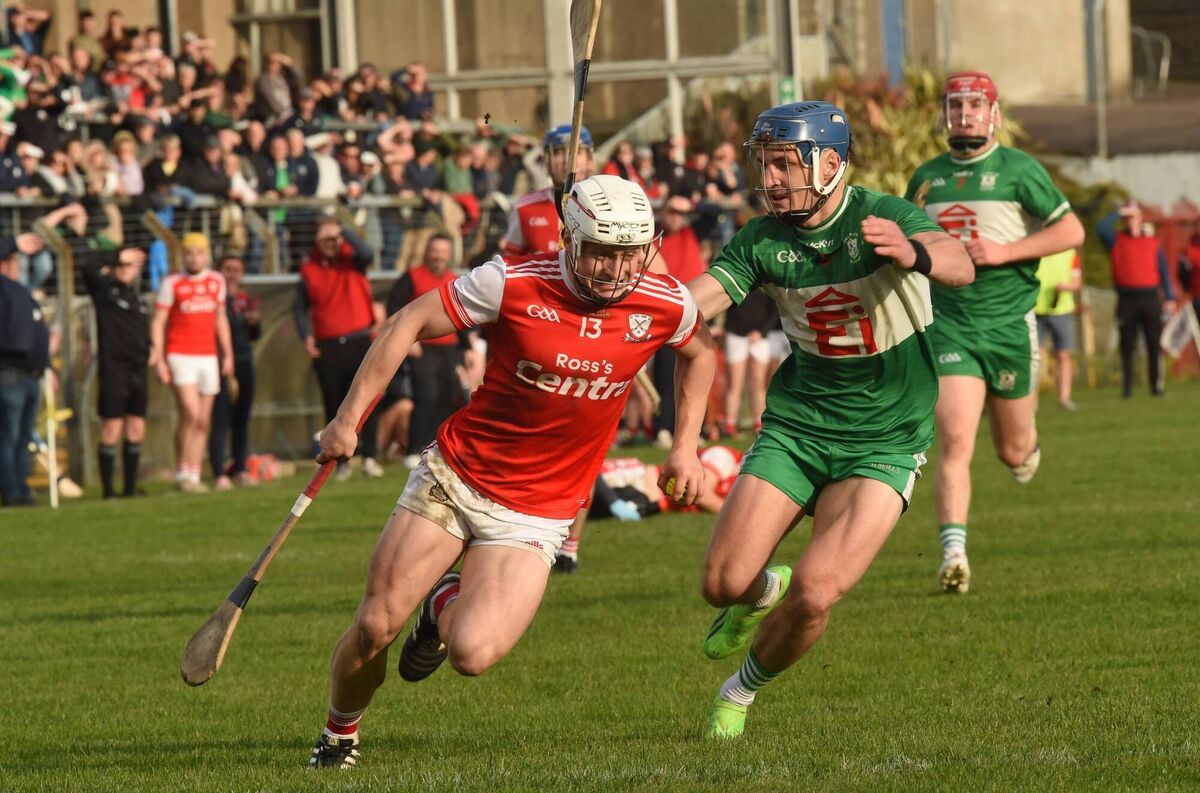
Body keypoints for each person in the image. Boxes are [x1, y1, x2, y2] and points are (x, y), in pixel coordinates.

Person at [307, 174, 715, 768]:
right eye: (600, 250)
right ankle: (339, 733)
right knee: (373, 626)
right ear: (571, 241)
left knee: (472, 651)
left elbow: (699, 355)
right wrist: (348, 419)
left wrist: (686, 446)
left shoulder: (663, 302)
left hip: (540, 510)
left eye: (627, 253)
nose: (614, 268)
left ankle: (442, 600)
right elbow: (407, 322)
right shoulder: (511, 282)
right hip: (459, 477)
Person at [685, 100, 974, 739]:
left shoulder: (882, 216)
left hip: (887, 440)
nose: (772, 178)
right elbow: (698, 301)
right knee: (720, 583)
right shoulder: (762, 238)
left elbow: (960, 263)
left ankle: (739, 692)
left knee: (815, 592)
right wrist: (636, 305)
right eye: (766, 164)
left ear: (831, 163)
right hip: (799, 426)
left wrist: (913, 253)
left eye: (786, 164)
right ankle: (758, 593)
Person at [905, 72, 1084, 594]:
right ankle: (953, 554)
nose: (963, 114)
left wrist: (1003, 252)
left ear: (995, 115)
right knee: (955, 439)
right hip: (950, 325)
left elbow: (1070, 230)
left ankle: (1025, 449)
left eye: (974, 106)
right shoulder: (927, 178)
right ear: (943, 114)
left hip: (1008, 325)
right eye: (954, 105)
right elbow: (907, 237)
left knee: (1012, 450)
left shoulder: (1018, 170)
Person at [293, 218, 384, 481]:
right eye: (325, 239)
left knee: (367, 400)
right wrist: (305, 336)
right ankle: (341, 462)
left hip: (358, 340)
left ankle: (370, 456)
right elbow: (299, 308)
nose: (331, 244)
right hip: (328, 345)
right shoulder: (309, 269)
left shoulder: (352, 260)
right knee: (334, 405)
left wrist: (343, 231)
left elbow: (367, 252)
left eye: (334, 239)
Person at [148, 233, 234, 492]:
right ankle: (182, 471)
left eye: (198, 253)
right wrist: (160, 358)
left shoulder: (216, 281)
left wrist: (227, 354)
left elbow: (220, 319)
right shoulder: (172, 283)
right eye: (188, 253)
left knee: (203, 420)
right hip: (180, 353)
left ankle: (194, 472)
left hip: (207, 355)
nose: (193, 258)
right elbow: (159, 321)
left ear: (206, 255)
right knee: (190, 412)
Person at [384, 234, 463, 468]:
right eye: (434, 250)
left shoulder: (455, 280)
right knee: (425, 397)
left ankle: (438, 449)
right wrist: (408, 341)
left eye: (443, 251)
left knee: (448, 398)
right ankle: (414, 449)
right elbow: (394, 308)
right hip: (424, 348)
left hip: (449, 349)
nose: (438, 255)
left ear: (450, 255)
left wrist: (467, 349)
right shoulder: (412, 277)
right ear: (427, 252)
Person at [80, 246, 150, 498]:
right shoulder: (104, 292)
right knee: (111, 427)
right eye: (121, 265)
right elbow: (87, 265)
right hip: (114, 369)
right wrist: (116, 256)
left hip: (138, 370)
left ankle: (130, 490)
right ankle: (109, 491)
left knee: (136, 427)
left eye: (130, 265)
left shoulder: (139, 300)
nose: (124, 269)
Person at [1096, 203, 1176, 398]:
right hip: (1126, 299)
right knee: (1127, 345)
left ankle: (1155, 386)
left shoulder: (1152, 242)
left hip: (1150, 298)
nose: (1131, 221)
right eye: (1128, 218)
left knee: (1153, 343)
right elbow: (1101, 228)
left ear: (1141, 220)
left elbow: (1163, 271)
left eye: (1134, 217)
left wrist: (1170, 297)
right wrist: (1119, 212)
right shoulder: (1116, 240)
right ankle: (1127, 388)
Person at [0, 234, 50, 507]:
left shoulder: (20, 292)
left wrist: (47, 366)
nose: (17, 265)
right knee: (8, 436)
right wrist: (14, 244)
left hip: (32, 374)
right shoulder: (4, 290)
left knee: (23, 436)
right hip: (9, 373)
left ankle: (21, 487)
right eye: (12, 260)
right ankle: (10, 490)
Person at [498, 123, 593, 257]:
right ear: (546, 162)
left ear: (590, 160)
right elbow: (510, 264)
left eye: (577, 151)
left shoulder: (610, 207)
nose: (567, 160)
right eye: (558, 152)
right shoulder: (525, 207)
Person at [209, 253, 260, 490]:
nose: (231, 274)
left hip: (244, 361)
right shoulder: (212, 300)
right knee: (220, 418)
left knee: (242, 418)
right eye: (226, 269)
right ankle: (219, 471)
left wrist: (253, 323)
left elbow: (253, 336)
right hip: (218, 363)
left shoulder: (244, 300)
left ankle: (240, 467)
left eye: (236, 269)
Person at [1034, 248, 1082, 410]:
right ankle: (1032, 401)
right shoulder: (1035, 250)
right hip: (1036, 309)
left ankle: (1064, 397)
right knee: (1035, 357)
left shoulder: (1070, 253)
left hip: (1062, 310)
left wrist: (1066, 286)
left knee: (1063, 355)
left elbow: (1077, 282)